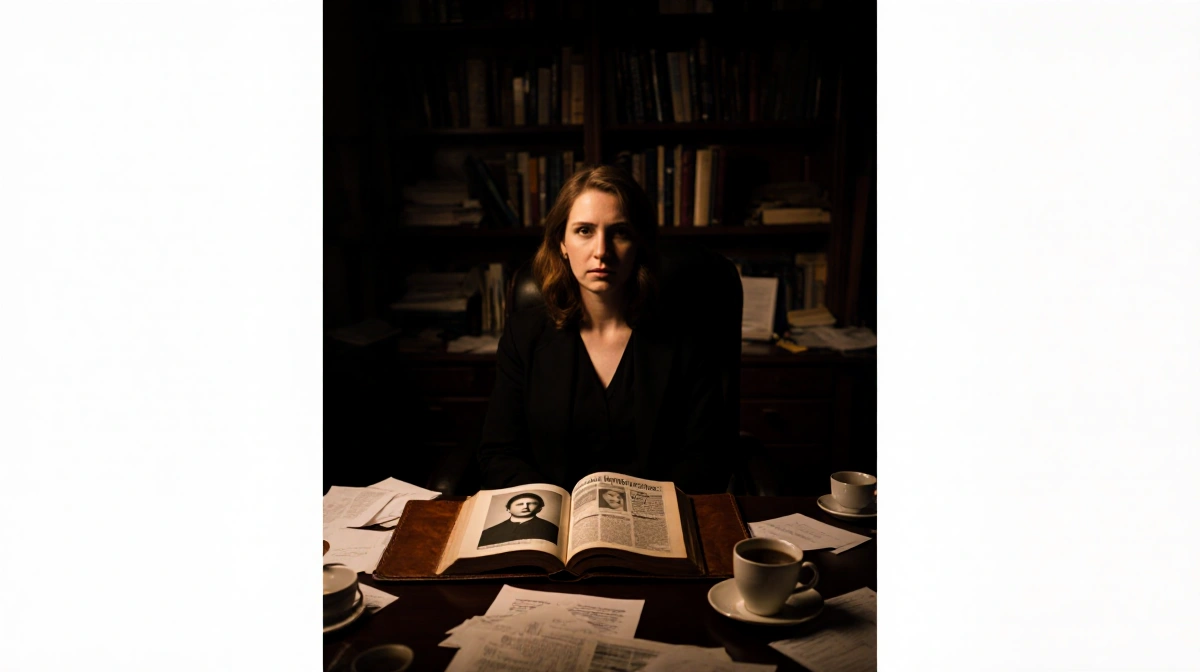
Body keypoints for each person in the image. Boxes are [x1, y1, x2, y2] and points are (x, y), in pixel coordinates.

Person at [477, 165, 731, 494]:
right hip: (557, 529)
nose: (602, 251)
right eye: (584, 230)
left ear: (639, 243)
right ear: (562, 243)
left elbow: (706, 459)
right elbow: (499, 453)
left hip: (655, 526)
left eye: (620, 232)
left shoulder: (685, 339)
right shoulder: (523, 336)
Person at [477, 492, 560, 546]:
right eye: (519, 504)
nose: (525, 507)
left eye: (531, 504)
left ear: (539, 508)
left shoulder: (550, 529)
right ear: (508, 509)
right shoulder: (489, 532)